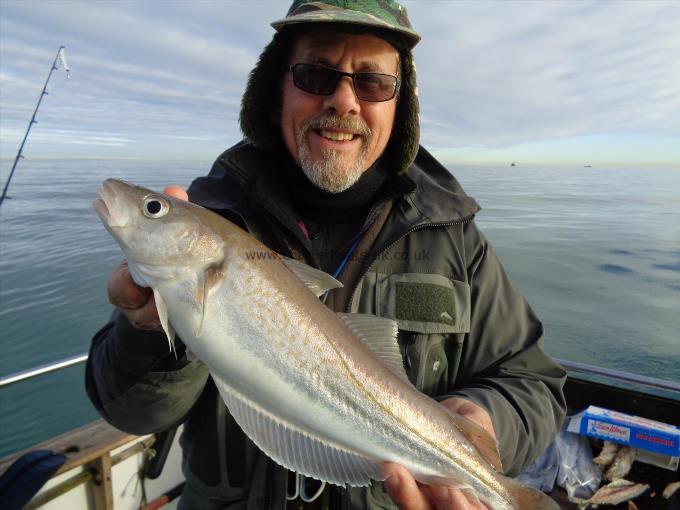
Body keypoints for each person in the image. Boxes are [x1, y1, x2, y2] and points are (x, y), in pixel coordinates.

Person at [85, 1, 567, 509]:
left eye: (373, 83)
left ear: (398, 109)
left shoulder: (454, 239)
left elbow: (533, 381)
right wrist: (144, 331)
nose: (343, 100)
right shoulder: (216, 216)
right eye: (315, 74)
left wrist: (481, 420)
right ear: (276, 97)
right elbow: (130, 415)